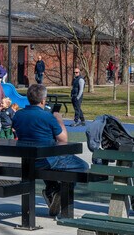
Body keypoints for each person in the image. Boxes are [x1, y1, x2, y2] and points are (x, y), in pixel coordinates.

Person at [12, 83, 88, 217]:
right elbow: (63, 139)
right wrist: (59, 120)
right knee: (82, 166)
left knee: (50, 166)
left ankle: (52, 190)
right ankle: (58, 192)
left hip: (28, 161)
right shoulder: (47, 117)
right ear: (43, 100)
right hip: (47, 159)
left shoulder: (18, 115)